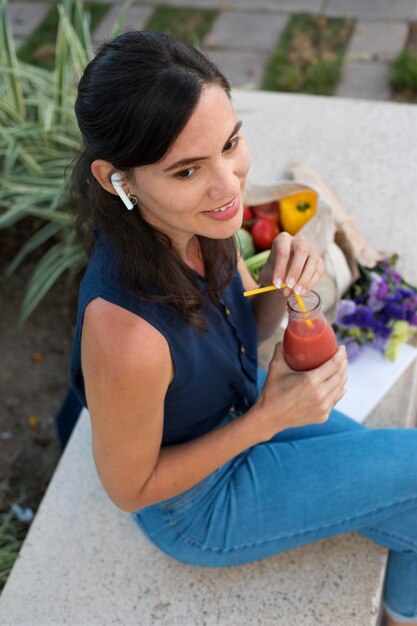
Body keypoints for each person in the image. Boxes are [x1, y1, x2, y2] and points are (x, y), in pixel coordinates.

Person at [69, 31, 417, 626]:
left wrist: (286, 295)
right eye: (187, 171)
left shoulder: (195, 218)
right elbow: (131, 489)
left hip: (242, 408)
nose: (230, 187)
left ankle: (398, 613)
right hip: (197, 505)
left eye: (230, 143)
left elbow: (237, 334)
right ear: (115, 179)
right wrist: (267, 421)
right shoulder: (124, 335)